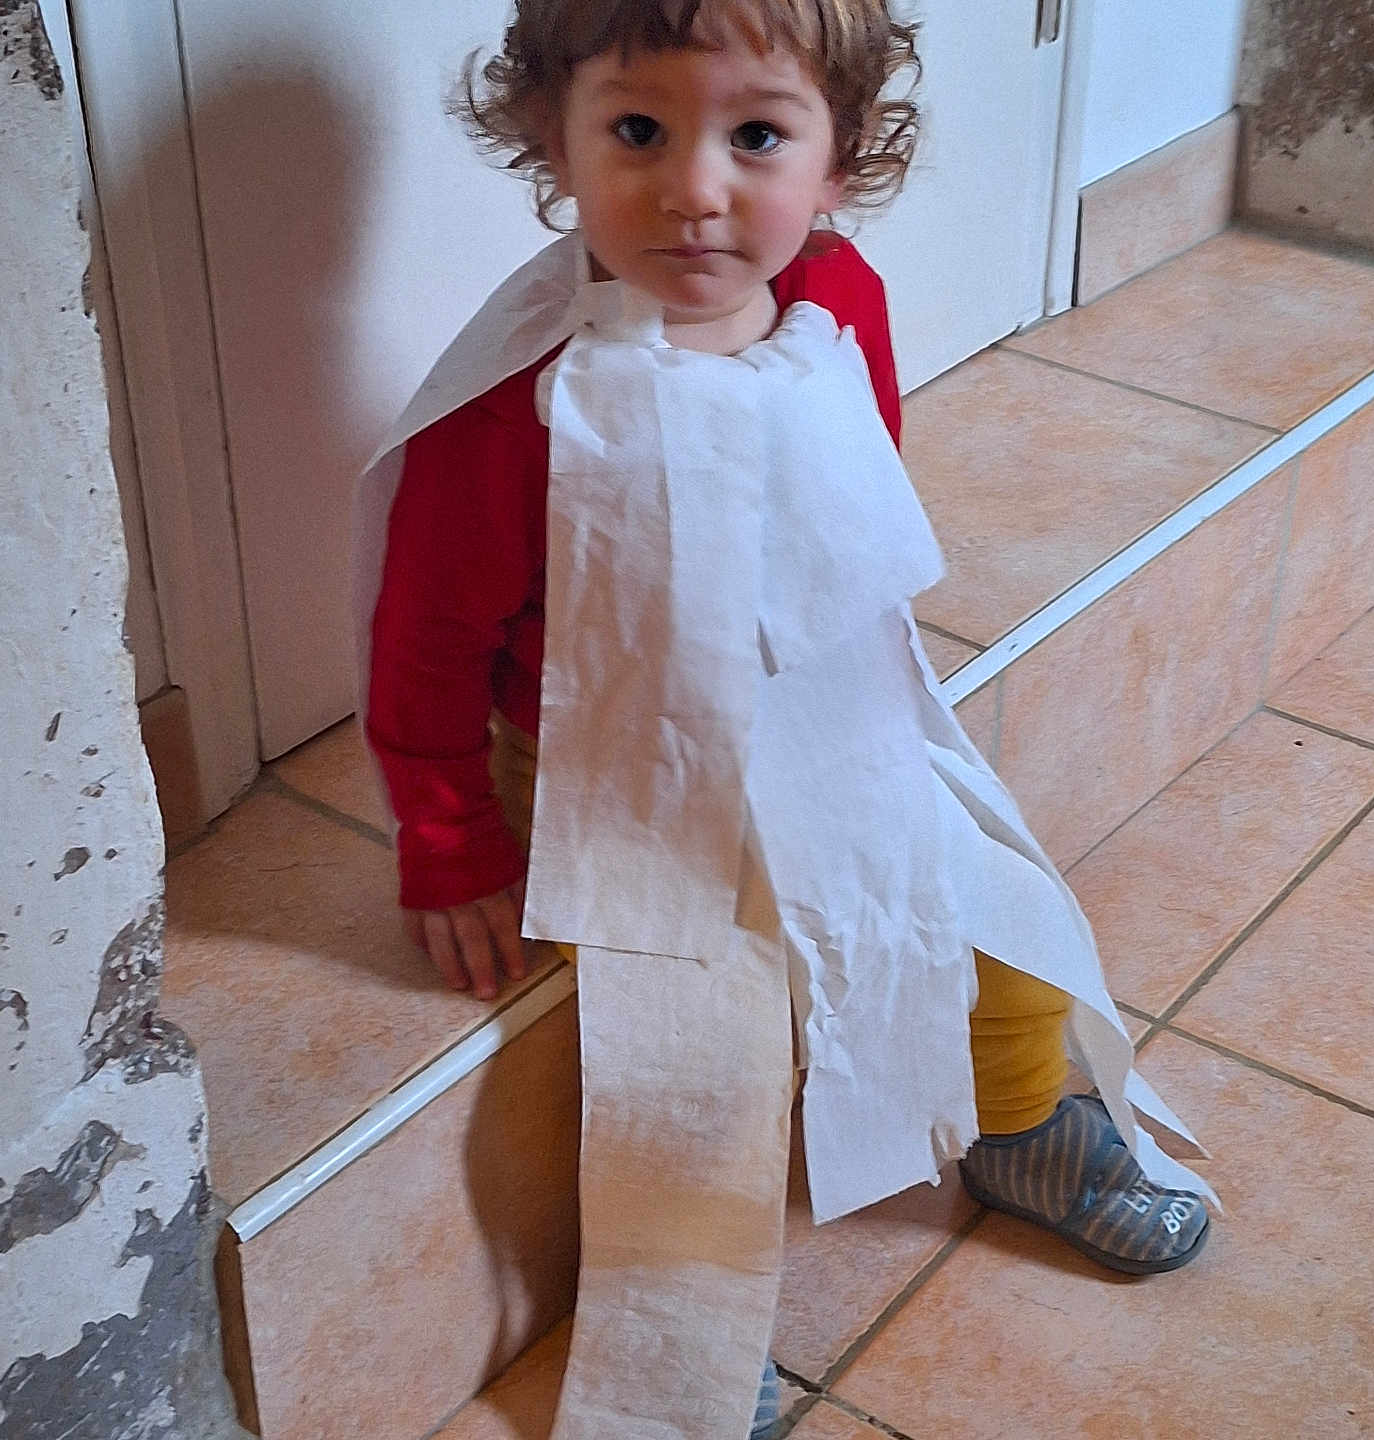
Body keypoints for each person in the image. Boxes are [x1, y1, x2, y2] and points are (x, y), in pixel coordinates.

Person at [361, 3, 1212, 1435]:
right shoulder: (522, 408)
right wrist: (448, 842)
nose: (696, 187)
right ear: (552, 143)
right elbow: (426, 641)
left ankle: (1022, 1128)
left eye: (755, 135)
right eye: (640, 130)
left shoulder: (841, 307)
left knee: (994, 907)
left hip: (819, 710)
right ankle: (700, 1323)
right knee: (703, 1043)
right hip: (611, 768)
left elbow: (849, 497)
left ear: (837, 162)